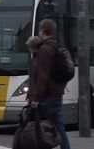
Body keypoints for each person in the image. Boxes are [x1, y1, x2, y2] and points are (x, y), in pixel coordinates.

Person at [27, 19, 71, 149]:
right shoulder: (57, 45)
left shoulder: (45, 49)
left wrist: (36, 98)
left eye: (40, 30)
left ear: (42, 31)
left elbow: (43, 76)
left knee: (40, 127)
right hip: (56, 93)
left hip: (47, 96)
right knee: (57, 126)